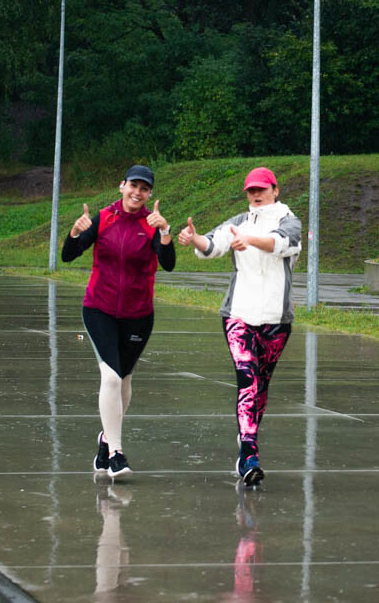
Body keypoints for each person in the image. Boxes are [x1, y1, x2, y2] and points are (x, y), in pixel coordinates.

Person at [178, 166, 301, 486]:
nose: (256, 195)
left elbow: (280, 244)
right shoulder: (238, 223)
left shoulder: (290, 221)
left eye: (262, 189)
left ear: (276, 189)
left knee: (260, 387)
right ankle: (249, 454)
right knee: (247, 378)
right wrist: (196, 239)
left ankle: (247, 437)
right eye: (251, 190)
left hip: (276, 320)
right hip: (238, 316)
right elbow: (212, 246)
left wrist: (251, 240)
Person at [62, 164, 175, 479]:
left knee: (123, 381)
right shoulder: (103, 217)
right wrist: (74, 232)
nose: (138, 193)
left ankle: (105, 438)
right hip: (99, 308)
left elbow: (168, 264)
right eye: (133, 186)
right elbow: (68, 255)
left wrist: (165, 233)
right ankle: (116, 454)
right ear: (121, 186)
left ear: (149, 193)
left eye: (144, 188)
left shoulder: (151, 224)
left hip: (139, 315)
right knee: (110, 379)